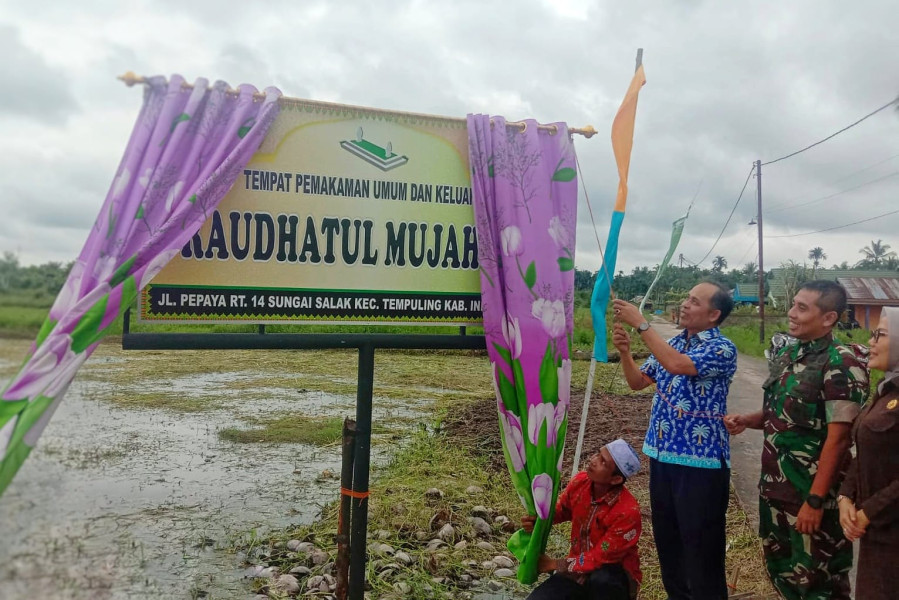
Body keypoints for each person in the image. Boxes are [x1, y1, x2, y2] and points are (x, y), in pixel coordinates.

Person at [724, 280, 869, 600]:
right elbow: (782, 411)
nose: (791, 313)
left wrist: (815, 501)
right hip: (775, 492)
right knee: (784, 577)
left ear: (829, 318)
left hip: (812, 496)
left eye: (802, 308)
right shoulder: (789, 353)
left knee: (819, 582)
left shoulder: (841, 362)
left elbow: (839, 438)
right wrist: (750, 420)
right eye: (793, 304)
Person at [612, 282, 736, 600]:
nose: (684, 304)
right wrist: (626, 353)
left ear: (714, 315)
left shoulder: (721, 349)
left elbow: (677, 365)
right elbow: (638, 381)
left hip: (701, 466)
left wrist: (641, 323)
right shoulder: (675, 341)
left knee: (701, 550)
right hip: (663, 459)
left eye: (694, 301)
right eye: (686, 298)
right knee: (670, 546)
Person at [521, 439, 642, 600]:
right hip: (576, 570)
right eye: (598, 454)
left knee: (602, 580)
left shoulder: (627, 512)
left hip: (611, 578)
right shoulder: (580, 482)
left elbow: (599, 558)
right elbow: (562, 510)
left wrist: (556, 565)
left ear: (616, 480)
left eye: (603, 462)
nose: (593, 460)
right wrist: (539, 520)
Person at [838, 306, 899, 600]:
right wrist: (845, 496)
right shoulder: (886, 390)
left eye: (881, 335)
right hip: (877, 533)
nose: (871, 342)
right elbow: (866, 450)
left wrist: (869, 511)